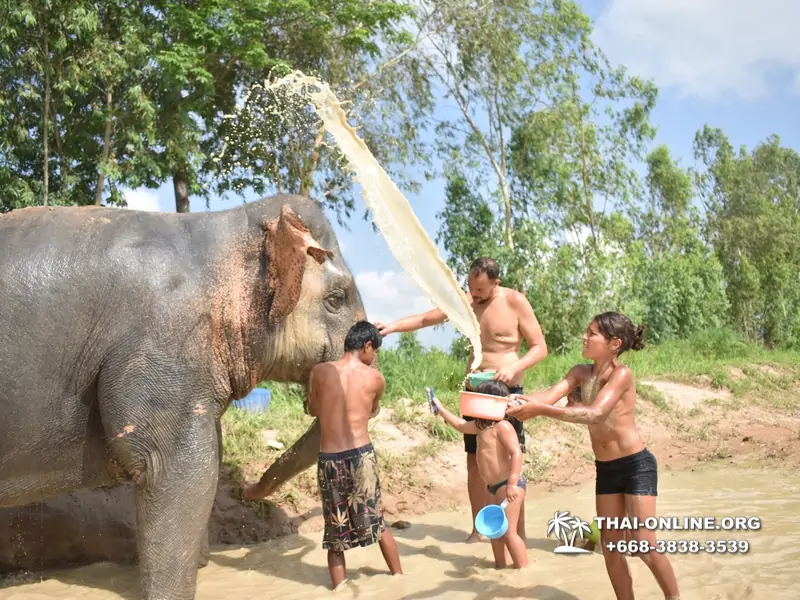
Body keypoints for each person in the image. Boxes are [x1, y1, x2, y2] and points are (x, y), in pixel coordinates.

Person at [506, 312, 680, 600]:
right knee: (611, 549)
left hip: (637, 466)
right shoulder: (580, 372)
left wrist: (541, 410)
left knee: (644, 545)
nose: (584, 337)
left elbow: (595, 413)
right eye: (586, 331)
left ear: (614, 344)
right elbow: (547, 397)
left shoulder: (621, 375)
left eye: (592, 333)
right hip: (607, 469)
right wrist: (514, 401)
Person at [375, 257, 547, 543]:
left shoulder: (515, 301)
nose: (474, 295)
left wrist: (514, 367)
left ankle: (517, 532)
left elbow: (540, 348)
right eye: (470, 287)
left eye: (480, 289)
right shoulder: (466, 303)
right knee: (475, 462)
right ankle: (478, 529)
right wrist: (391, 327)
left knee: (507, 462)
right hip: (474, 393)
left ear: (496, 282)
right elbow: (424, 319)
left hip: (506, 392)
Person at [305, 320, 403, 590]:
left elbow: (313, 408)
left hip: (330, 460)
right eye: (376, 352)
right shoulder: (375, 378)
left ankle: (339, 592)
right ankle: (399, 581)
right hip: (362, 457)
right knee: (378, 523)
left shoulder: (320, 371)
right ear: (367, 345)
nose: (375, 359)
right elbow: (372, 411)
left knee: (336, 535)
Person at [431, 380, 528, 569]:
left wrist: (511, 483)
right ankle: (500, 567)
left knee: (509, 532)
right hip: (492, 488)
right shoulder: (480, 426)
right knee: (495, 532)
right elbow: (460, 425)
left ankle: (523, 569)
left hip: (508, 485)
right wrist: (441, 408)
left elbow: (516, 453)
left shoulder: (503, 426)